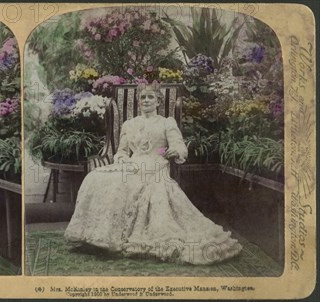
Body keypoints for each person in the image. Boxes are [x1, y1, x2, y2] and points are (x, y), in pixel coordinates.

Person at [64, 83, 242, 265]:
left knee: (131, 186)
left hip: (156, 165)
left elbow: (179, 145)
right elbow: (122, 151)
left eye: (150, 97)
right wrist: (123, 160)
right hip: (132, 165)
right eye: (143, 97)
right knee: (96, 177)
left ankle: (120, 238)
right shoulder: (129, 124)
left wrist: (175, 151)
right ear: (138, 102)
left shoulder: (167, 123)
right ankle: (97, 236)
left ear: (158, 101)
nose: (146, 100)